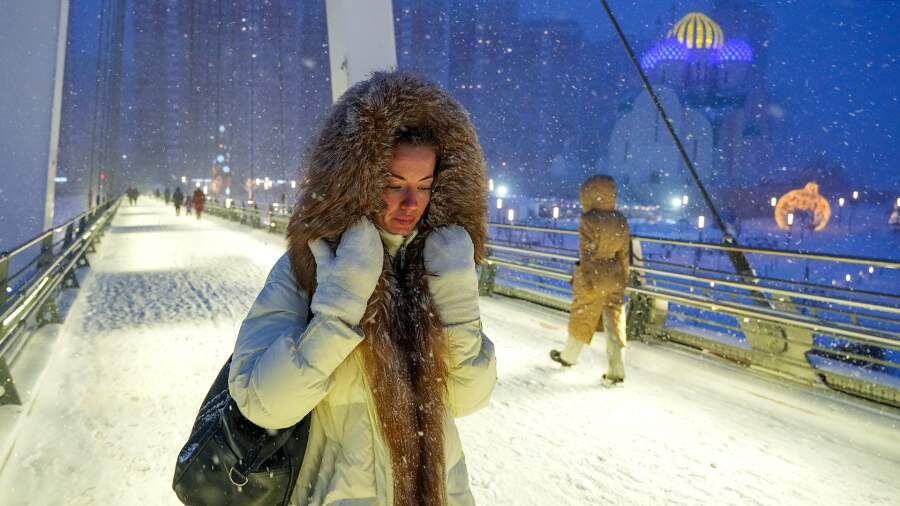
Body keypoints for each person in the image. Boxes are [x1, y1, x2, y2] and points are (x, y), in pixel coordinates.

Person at [228, 71, 496, 505]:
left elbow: (466, 400)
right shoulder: (309, 268)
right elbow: (263, 405)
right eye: (394, 185)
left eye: (425, 186)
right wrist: (339, 306)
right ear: (357, 181)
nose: (411, 203)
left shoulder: (434, 269)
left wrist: (459, 306)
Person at [550, 175, 631, 386]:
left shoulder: (588, 219)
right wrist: (624, 277)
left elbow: (586, 253)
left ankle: (569, 357)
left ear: (590, 194)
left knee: (582, 316)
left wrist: (585, 277)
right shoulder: (620, 219)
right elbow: (624, 254)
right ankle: (616, 371)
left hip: (594, 275)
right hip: (615, 275)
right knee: (615, 323)